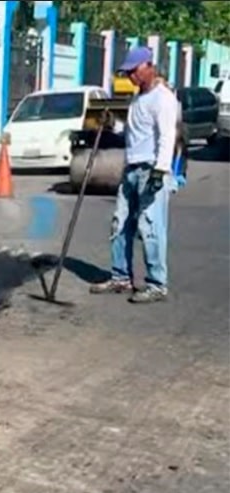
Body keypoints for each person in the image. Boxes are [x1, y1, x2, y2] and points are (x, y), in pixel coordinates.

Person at [90, 47, 180, 304]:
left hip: (151, 168)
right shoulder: (138, 98)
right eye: (128, 71)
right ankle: (121, 276)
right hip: (131, 168)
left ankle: (156, 283)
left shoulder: (163, 98)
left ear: (148, 66)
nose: (130, 75)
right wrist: (111, 125)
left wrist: (161, 170)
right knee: (120, 223)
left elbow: (167, 137)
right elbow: (132, 131)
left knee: (150, 227)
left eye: (133, 70)